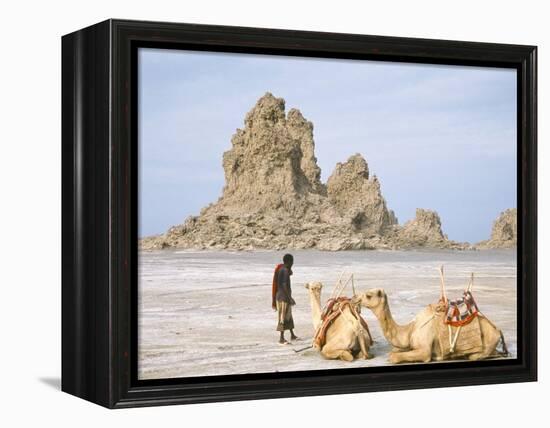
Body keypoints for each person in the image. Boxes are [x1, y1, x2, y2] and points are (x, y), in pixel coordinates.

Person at [272, 253, 299, 344]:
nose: (293, 263)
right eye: (292, 262)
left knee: (289, 316)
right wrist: (290, 298)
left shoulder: (283, 269)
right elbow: (284, 285)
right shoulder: (284, 270)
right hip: (283, 297)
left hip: (283, 296)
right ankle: (281, 338)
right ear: (289, 261)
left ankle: (292, 335)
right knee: (283, 317)